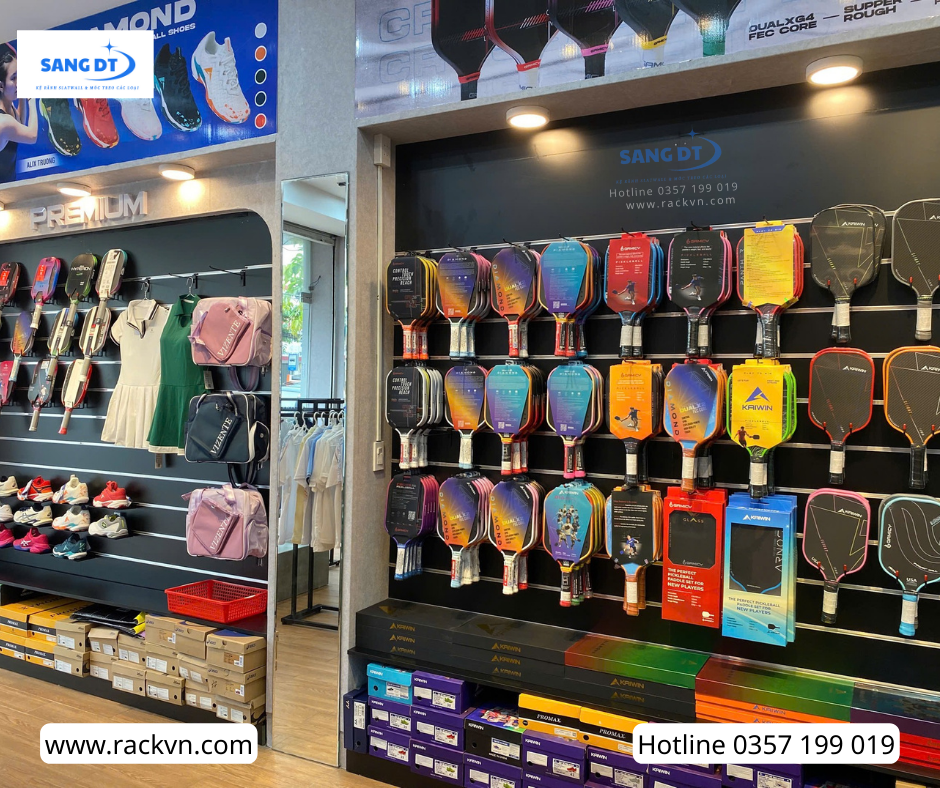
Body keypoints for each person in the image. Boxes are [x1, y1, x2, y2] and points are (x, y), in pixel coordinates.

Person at [0, 52, 37, 183]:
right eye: (14, 78)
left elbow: (19, 123)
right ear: (1, 85)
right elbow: (32, 136)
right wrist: (32, 99)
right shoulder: (3, 122)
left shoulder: (8, 108)